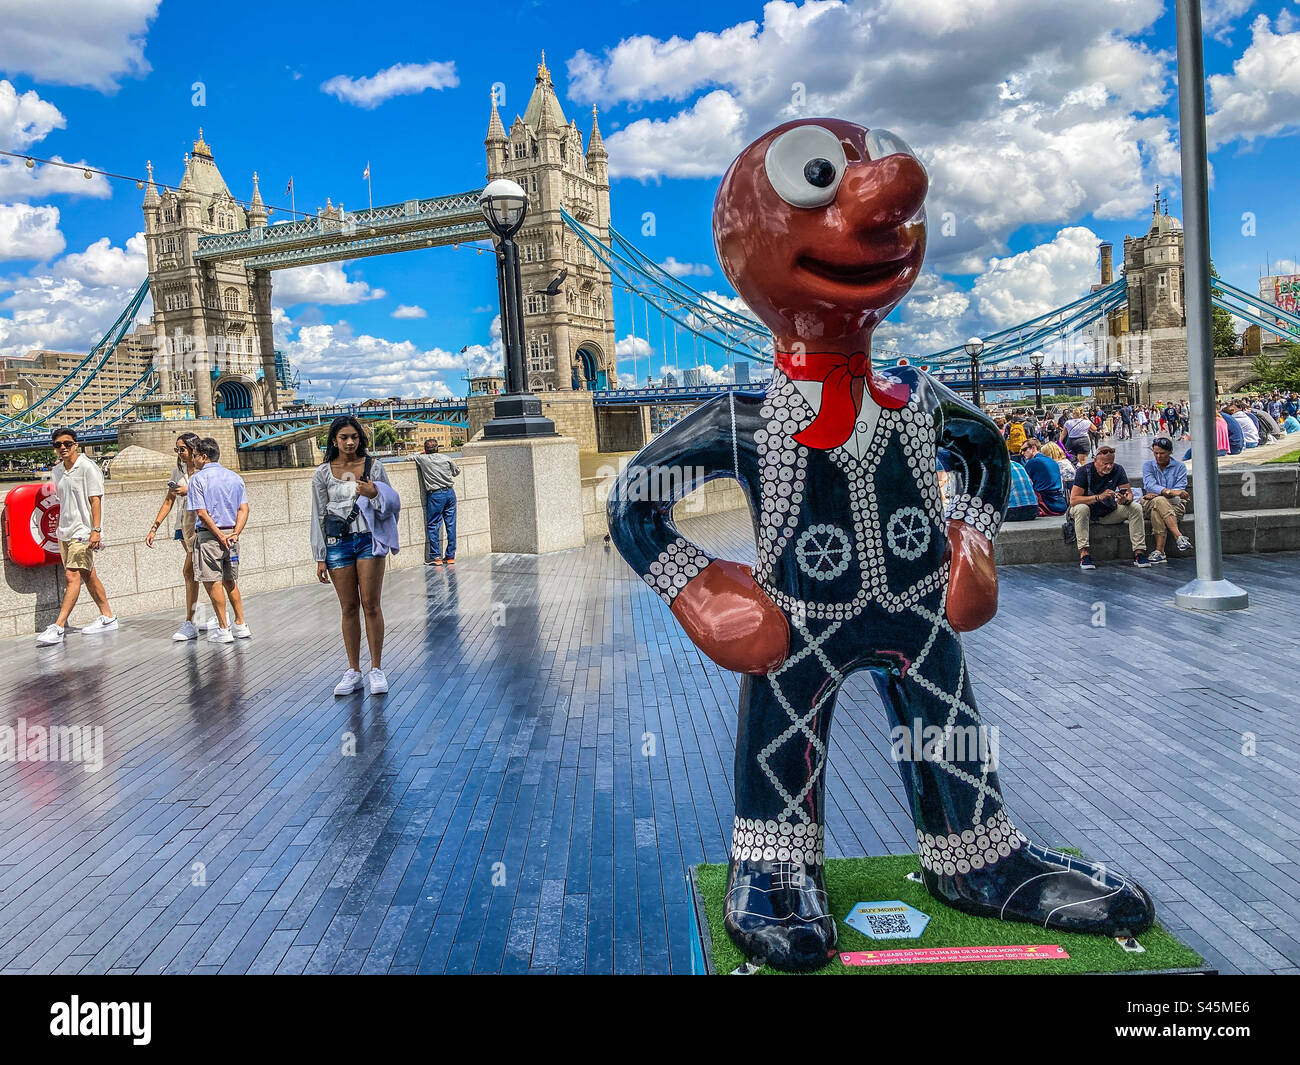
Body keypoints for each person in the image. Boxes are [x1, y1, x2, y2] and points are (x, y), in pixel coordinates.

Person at [312, 416, 395, 696]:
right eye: (343, 437)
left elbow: (391, 506)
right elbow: (318, 514)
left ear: (360, 439)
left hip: (368, 540)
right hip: (338, 543)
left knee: (371, 604)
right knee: (348, 607)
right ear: (334, 440)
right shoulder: (323, 473)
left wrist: (374, 493)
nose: (349, 442)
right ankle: (353, 671)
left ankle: (376, 669)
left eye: (354, 437)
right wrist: (320, 554)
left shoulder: (374, 467)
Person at [36, 427, 118, 645]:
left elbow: (95, 501)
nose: (63, 448)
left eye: (67, 443)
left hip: (83, 531)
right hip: (64, 531)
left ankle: (58, 626)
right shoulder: (57, 471)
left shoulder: (88, 468)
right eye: (58, 445)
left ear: (76, 445)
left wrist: (96, 530)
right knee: (88, 574)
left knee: (72, 576)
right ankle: (108, 617)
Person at [187, 438, 251, 644]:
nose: (193, 459)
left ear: (204, 457)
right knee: (230, 581)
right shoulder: (235, 477)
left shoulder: (198, 479)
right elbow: (244, 509)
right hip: (232, 536)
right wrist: (235, 533)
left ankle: (224, 629)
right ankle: (241, 624)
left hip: (209, 537)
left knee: (213, 582)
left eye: (195, 455)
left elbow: (202, 513)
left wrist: (218, 535)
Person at [145, 432, 207, 640]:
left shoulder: (204, 470)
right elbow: (168, 501)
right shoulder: (177, 471)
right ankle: (206, 614)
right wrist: (154, 527)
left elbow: (212, 494)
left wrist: (189, 490)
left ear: (193, 448)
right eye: (177, 449)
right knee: (198, 572)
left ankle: (191, 622)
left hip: (201, 525)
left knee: (190, 571)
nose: (179, 453)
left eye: (182, 449)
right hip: (183, 526)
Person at [1067, 445, 1151, 570]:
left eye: (1111, 463)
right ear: (1095, 460)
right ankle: (1084, 553)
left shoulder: (1118, 470)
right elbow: (1073, 500)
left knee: (1135, 507)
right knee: (1081, 508)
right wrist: (1099, 497)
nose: (1109, 467)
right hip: (1086, 513)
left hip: (1108, 512)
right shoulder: (1084, 471)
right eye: (1105, 463)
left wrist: (1126, 499)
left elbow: (1129, 494)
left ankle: (1139, 552)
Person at [1141, 436, 1193, 563]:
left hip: (1173, 504)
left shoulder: (1179, 466)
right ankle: (1179, 536)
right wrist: (1168, 491)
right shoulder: (1148, 465)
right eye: (1156, 453)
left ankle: (1160, 551)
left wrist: (1159, 493)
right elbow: (1149, 484)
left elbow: (1179, 490)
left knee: (1157, 506)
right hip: (1151, 502)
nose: (1158, 456)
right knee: (1158, 502)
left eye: (1162, 453)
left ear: (1170, 452)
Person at [414, 437, 460, 566]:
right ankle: (450, 556)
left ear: (425, 449)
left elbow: (408, 457)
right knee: (451, 525)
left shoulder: (422, 459)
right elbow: (457, 472)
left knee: (433, 525)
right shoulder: (446, 458)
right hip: (450, 493)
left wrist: (421, 453)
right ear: (438, 448)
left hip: (435, 495)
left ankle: (436, 557)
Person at [1020, 438, 1067, 515]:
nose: (1023, 453)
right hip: (1060, 501)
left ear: (1033, 448)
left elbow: (1024, 483)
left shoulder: (1032, 462)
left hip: (1045, 502)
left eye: (1025, 449)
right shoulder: (1052, 460)